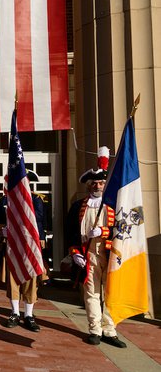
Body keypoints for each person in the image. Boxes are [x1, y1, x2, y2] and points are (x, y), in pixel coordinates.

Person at [64, 147, 126, 348]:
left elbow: (124, 229)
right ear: (89, 186)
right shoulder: (78, 207)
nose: (99, 186)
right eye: (95, 183)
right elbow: (71, 233)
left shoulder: (115, 205)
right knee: (91, 293)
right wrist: (75, 253)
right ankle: (94, 329)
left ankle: (109, 329)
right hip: (88, 255)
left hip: (110, 253)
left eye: (101, 182)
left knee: (110, 292)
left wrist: (104, 232)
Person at [0, 172, 43, 332]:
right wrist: (1, 230)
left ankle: (29, 315)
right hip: (12, 244)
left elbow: (40, 220)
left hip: (30, 244)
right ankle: (15, 312)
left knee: (30, 278)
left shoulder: (36, 199)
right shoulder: (4, 200)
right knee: (13, 278)